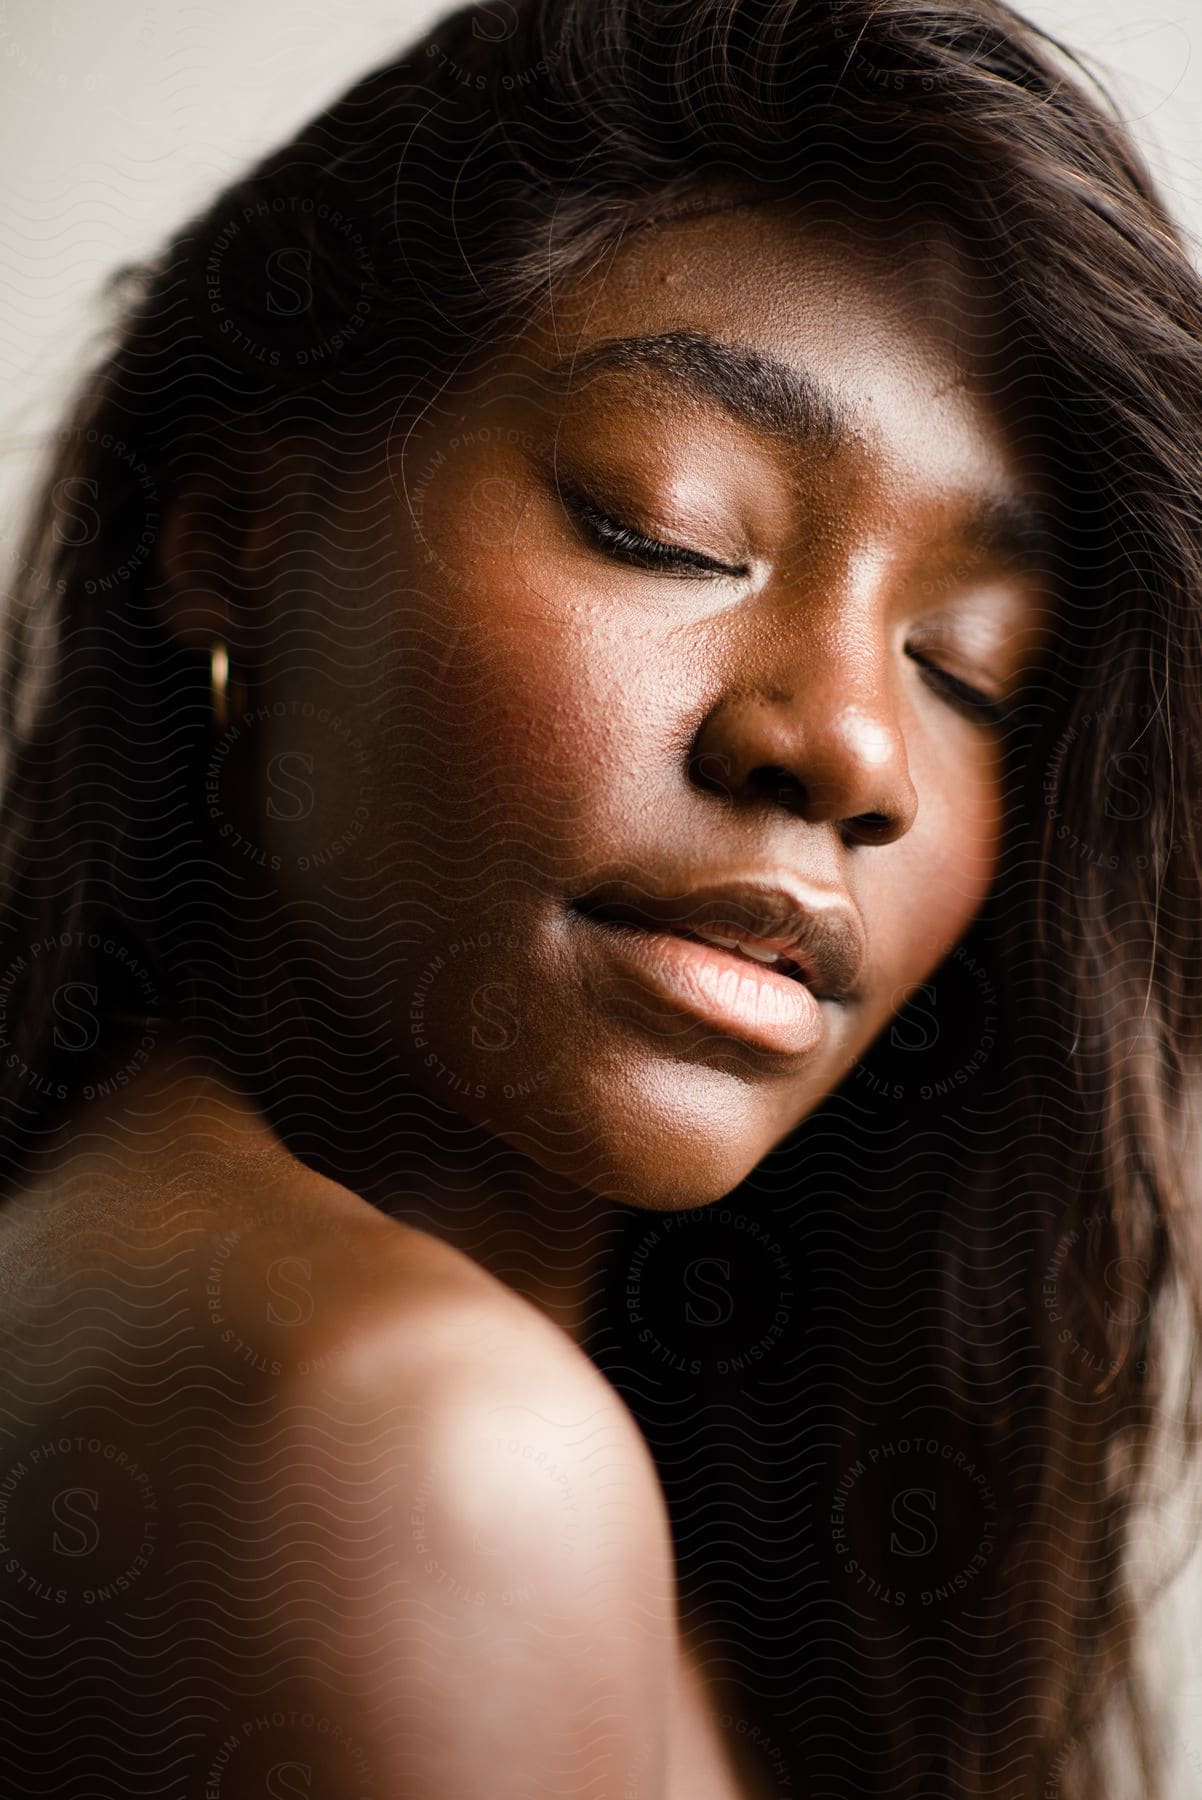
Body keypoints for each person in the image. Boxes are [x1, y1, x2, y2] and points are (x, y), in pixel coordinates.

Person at [1, 0, 1201, 1794]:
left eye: (971, 668)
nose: (849, 747)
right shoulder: (408, 1445)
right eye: (668, 529)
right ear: (235, 531)